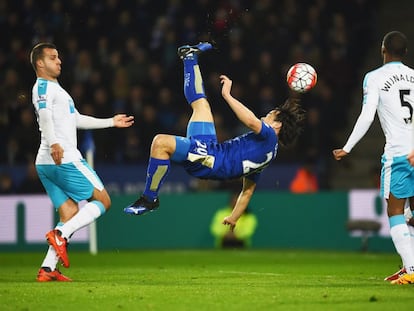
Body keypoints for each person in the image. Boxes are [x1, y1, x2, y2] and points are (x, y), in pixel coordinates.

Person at [124, 42, 305, 232]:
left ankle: (149, 198)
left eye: (271, 114)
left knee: (160, 143)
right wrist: (234, 217)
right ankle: (190, 57)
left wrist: (227, 95)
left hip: (210, 160)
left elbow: (251, 121)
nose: (266, 115)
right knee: (201, 104)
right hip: (212, 150)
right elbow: (248, 190)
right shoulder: (267, 155)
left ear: (277, 125)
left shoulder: (268, 136)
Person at [30, 42, 134, 282]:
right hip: (63, 157)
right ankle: (60, 234)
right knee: (103, 201)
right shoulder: (43, 87)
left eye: (58, 57)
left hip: (45, 163)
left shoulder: (56, 89)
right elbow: (44, 116)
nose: (59, 61)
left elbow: (75, 119)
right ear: (40, 63)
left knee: (69, 212)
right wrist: (55, 142)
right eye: (53, 58)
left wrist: (110, 122)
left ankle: (47, 268)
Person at [332, 31, 414, 285]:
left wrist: (348, 146)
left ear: (382, 50)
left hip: (399, 155)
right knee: (409, 212)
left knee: (395, 211)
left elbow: (367, 115)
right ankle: (407, 264)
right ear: (405, 53)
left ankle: (411, 268)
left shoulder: (375, 78)